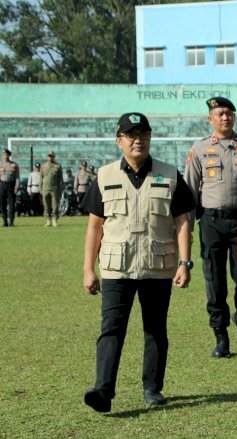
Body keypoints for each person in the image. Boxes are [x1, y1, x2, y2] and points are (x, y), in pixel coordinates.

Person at [80, 112, 194, 413]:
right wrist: (88, 269)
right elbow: (95, 226)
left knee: (155, 330)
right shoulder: (104, 176)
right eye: (131, 135)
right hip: (117, 268)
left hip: (158, 267)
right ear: (119, 141)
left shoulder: (170, 174)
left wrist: (185, 262)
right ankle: (103, 391)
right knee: (111, 330)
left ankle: (152, 389)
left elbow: (182, 221)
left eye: (143, 134)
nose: (138, 140)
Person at [185, 97, 237, 358]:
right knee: (214, 282)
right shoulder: (201, 148)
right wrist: (187, 230)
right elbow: (191, 190)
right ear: (210, 119)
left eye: (229, 113)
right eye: (219, 113)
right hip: (211, 222)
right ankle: (221, 335)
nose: (225, 117)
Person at [40, 150, 63, 227]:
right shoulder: (43, 166)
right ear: (47, 157)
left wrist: (61, 189)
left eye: (51, 156)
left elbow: (61, 179)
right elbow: (41, 178)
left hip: (55, 188)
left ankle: (54, 219)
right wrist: (40, 188)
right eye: (49, 156)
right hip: (45, 188)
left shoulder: (58, 166)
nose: (50, 157)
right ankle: (48, 220)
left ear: (54, 157)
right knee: (46, 205)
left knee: (55, 205)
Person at [0, 148, 20, 227]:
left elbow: (17, 177)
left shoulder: (14, 165)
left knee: (12, 204)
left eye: (6, 154)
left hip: (11, 185)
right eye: (3, 154)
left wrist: (16, 186)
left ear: (9, 155)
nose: (4, 156)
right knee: (2, 204)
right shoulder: (0, 164)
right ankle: (5, 221)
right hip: (2, 185)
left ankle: (11, 222)